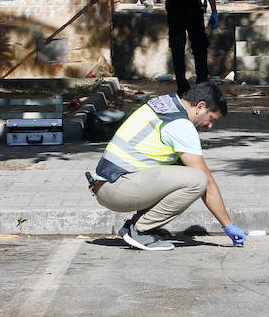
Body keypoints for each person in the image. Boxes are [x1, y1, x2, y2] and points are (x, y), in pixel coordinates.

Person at [88, 82, 246, 252]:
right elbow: (207, 182)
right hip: (116, 188)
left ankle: (135, 226)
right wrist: (228, 225)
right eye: (211, 119)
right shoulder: (180, 125)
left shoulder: (166, 103)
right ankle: (140, 230)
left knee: (182, 168)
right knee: (197, 180)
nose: (209, 126)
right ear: (200, 106)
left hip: (109, 183)